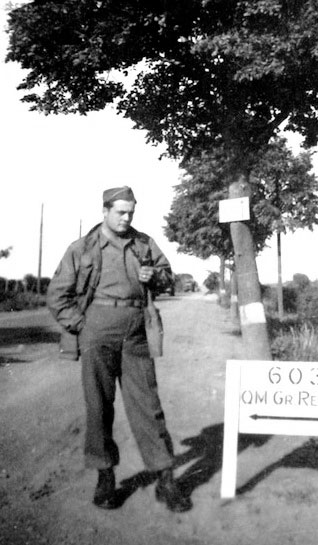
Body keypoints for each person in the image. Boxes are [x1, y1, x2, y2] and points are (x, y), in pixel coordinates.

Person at [47, 186, 192, 512]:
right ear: (105, 211)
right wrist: (82, 326)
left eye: (130, 213)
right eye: (120, 212)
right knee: (99, 407)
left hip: (136, 335)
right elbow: (57, 295)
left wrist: (154, 276)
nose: (126, 218)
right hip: (97, 334)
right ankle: (105, 477)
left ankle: (165, 480)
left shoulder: (143, 244)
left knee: (149, 407)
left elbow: (170, 278)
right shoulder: (83, 247)